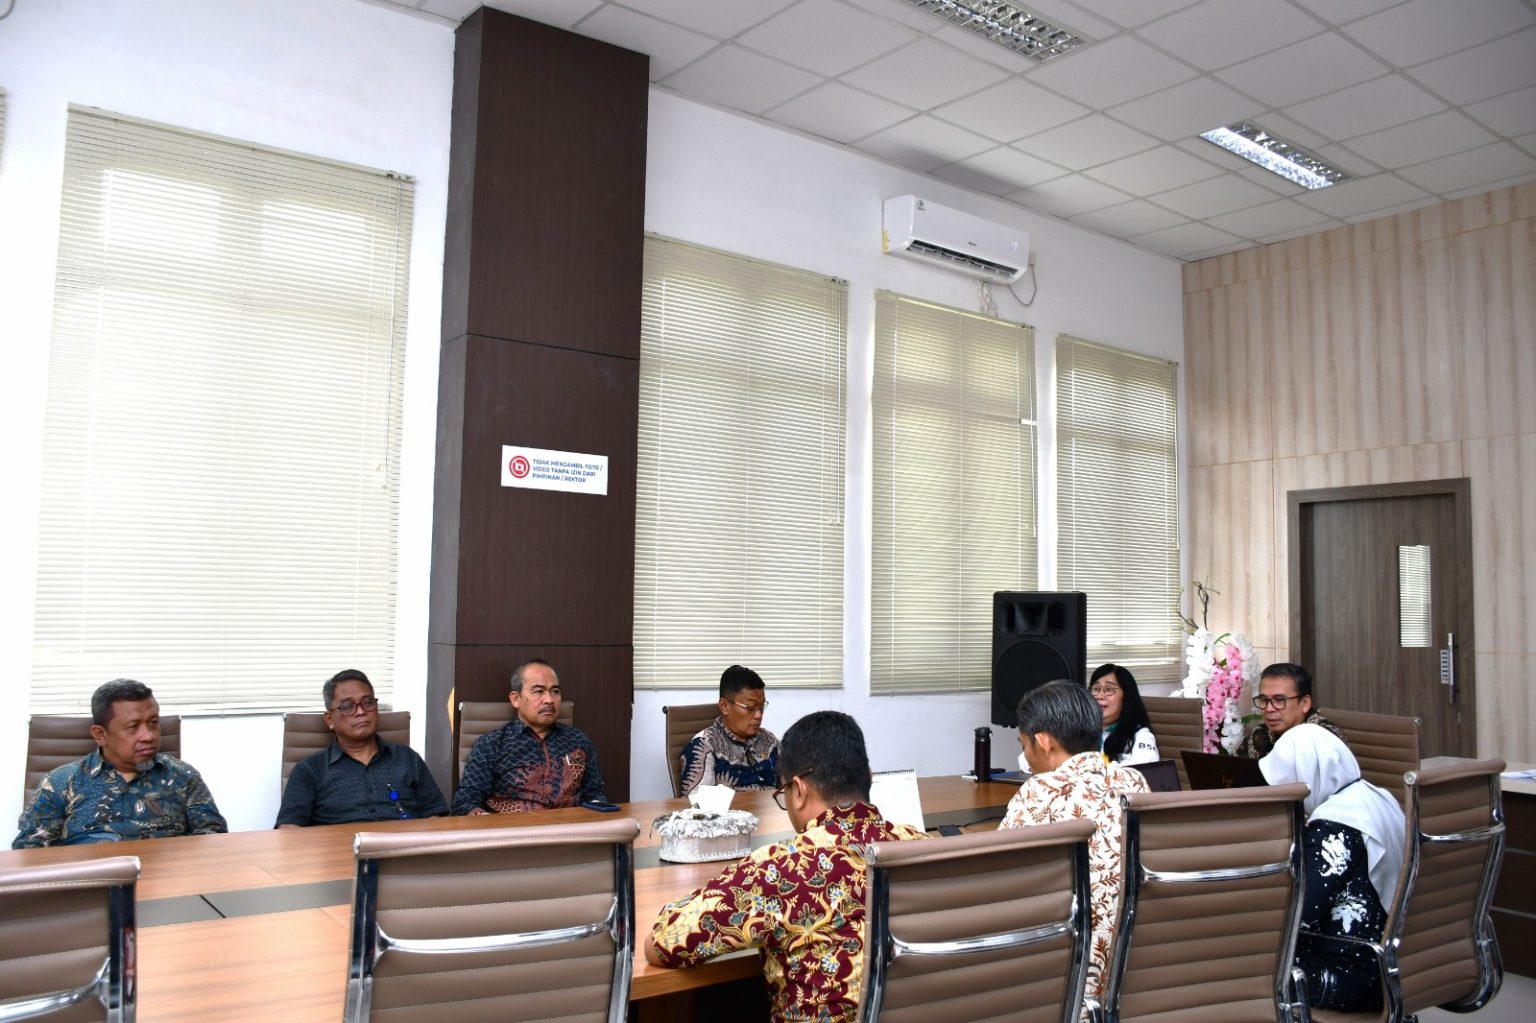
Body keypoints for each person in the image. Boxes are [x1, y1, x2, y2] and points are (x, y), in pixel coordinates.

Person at [646, 711, 926, 1022]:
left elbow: (663, 943)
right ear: (869, 777)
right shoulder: (925, 848)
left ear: (799, 791)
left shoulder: (780, 866)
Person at [1000, 679, 1149, 1006]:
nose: (1026, 757)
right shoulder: (1134, 781)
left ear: (1044, 741)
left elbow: (999, 881)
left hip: (1066, 987)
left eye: (1024, 745)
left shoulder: (1039, 791)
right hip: (1134, 980)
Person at [1259, 723, 1406, 1012]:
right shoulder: (1376, 798)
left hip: (1354, 975)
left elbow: (1297, 913)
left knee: (1235, 968)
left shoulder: (1335, 828)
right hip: (1396, 963)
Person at [14, 678, 226, 848]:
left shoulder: (183, 776)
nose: (149, 736)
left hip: (166, 879)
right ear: (100, 735)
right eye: (133, 727)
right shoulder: (60, 782)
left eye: (153, 723)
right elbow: (30, 849)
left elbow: (213, 837)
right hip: (90, 882)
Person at [275, 669, 447, 827]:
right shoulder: (310, 769)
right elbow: (289, 828)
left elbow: (436, 815)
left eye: (368, 702)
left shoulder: (407, 758)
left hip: (402, 847)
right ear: (329, 720)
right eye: (348, 706)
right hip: (338, 849)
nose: (360, 712)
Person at [452, 658, 607, 814]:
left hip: (569, 825)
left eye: (555, 691)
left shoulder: (578, 741)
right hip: (515, 827)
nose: (549, 700)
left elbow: (595, 793)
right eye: (538, 691)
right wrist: (486, 821)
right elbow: (466, 801)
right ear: (515, 699)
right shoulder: (492, 744)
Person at [678, 664, 779, 794]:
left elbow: (792, 787)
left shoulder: (769, 741)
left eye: (761, 706)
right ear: (724, 706)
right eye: (750, 707)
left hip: (772, 806)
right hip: (731, 808)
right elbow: (698, 803)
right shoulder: (704, 747)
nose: (759, 715)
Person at [1237, 662, 1347, 758]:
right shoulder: (1260, 734)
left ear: (1305, 703)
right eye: (1263, 700)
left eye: (1279, 700)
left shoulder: (1324, 738)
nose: (1269, 708)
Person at [1089, 663, 1159, 765]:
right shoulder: (1081, 732)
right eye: (1096, 689)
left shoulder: (1141, 736)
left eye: (1108, 689)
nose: (1100, 696)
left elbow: (1139, 772)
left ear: (1126, 697)